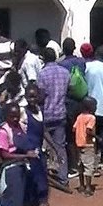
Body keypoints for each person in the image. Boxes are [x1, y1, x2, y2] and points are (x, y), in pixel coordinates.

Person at [37, 47, 71, 185]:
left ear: (44, 58)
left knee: (40, 146)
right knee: (60, 147)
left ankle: (41, 175)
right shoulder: (65, 72)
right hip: (60, 113)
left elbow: (40, 96)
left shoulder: (42, 74)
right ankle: (63, 177)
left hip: (46, 114)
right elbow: (69, 90)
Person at [85, 46, 103, 170]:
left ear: (95, 54)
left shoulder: (87, 67)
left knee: (90, 135)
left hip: (89, 106)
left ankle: (92, 162)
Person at [74, 99, 98, 195]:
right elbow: (88, 131)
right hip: (88, 144)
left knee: (80, 165)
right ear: (90, 107)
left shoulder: (79, 117)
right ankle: (88, 187)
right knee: (89, 166)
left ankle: (81, 185)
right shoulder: (92, 118)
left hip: (78, 144)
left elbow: (74, 128)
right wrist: (97, 137)